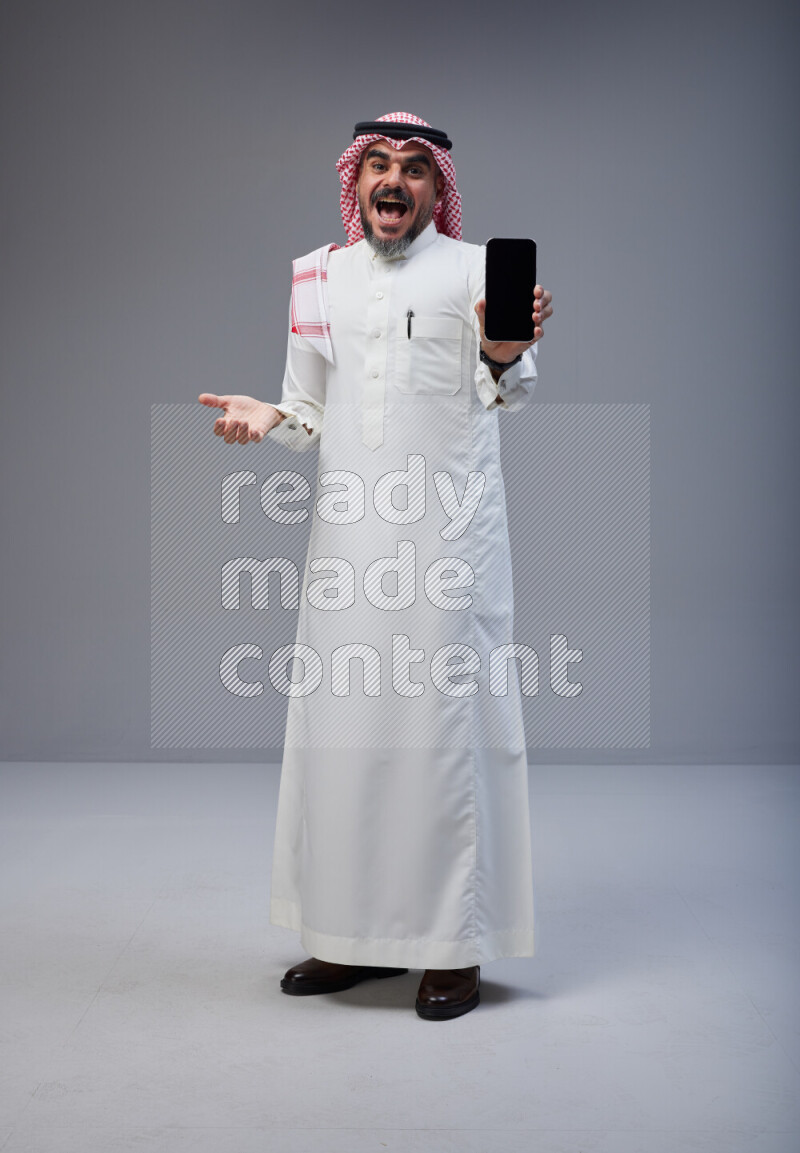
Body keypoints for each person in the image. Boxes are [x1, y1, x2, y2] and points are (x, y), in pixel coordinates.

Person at [199, 112, 553, 1021]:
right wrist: (268, 415)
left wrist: (502, 351)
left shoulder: (475, 272)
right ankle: (349, 936)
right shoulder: (317, 274)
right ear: (356, 183)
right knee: (347, 732)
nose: (393, 182)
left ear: (439, 188)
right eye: (379, 167)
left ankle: (450, 948)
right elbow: (308, 408)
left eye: (414, 170)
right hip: (348, 546)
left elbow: (508, 389)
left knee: (440, 737)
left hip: (448, 546)